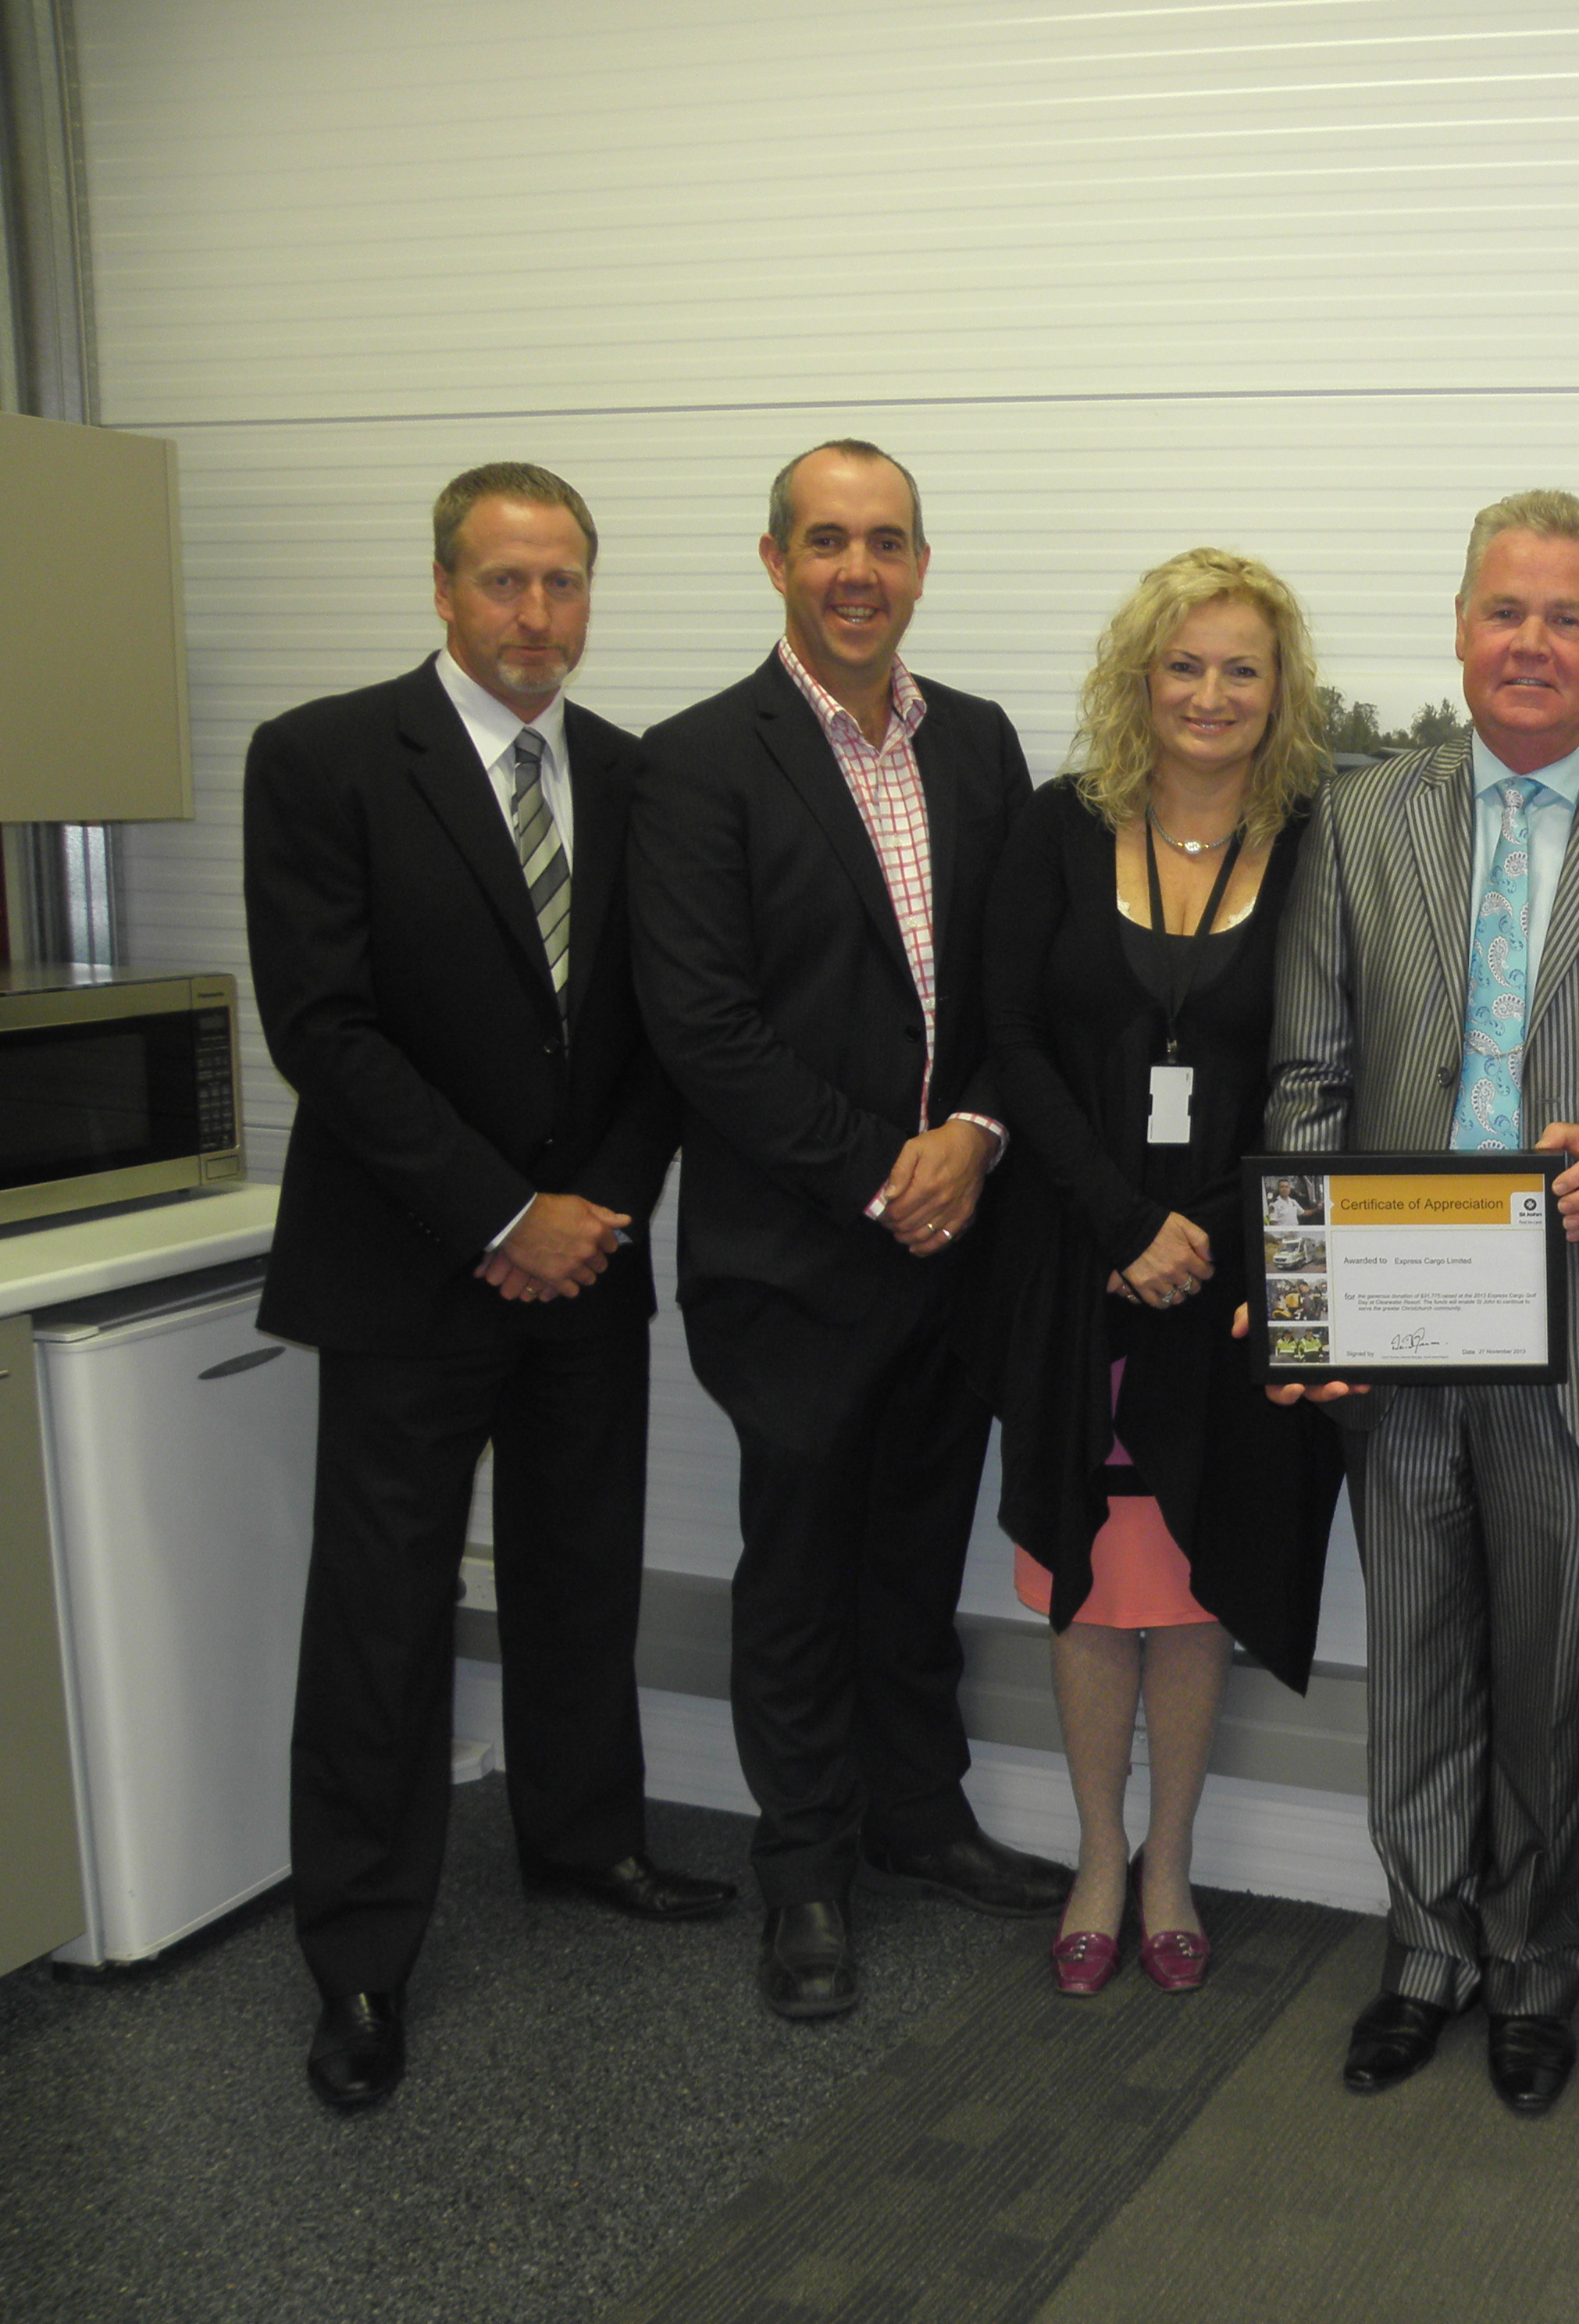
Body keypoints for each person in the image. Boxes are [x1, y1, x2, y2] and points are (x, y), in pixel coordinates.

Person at [244, 462, 726, 2112]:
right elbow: (324, 1028)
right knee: (380, 1617)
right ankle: (361, 1955)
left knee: (578, 1567)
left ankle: (582, 1842)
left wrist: (595, 1212)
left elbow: (668, 1026)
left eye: (565, 584)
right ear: (444, 590)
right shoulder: (320, 757)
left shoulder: (632, 771)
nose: (538, 618)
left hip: (586, 1259)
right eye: (506, 583)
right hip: (408, 1265)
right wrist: (498, 1212)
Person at [1263, 487, 1579, 2116]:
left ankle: (1534, 1966)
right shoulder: (1358, 819)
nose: (1530, 645)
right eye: (1503, 612)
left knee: (1547, 1684)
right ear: (1461, 628)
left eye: (1564, 617)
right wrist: (1310, 1297)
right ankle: (1423, 1955)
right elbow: (1307, 1077)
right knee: (1418, 1665)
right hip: (1395, 1321)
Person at [631, 440, 1068, 2026]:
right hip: (799, 1260)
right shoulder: (695, 763)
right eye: (825, 541)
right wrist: (889, 1168)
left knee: (912, 1557)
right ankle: (804, 1870)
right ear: (773, 563)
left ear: (922, 566)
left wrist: (979, 1141)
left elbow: (1018, 986)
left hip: (960, 1251)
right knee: (800, 1574)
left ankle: (918, 1815)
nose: (857, 571)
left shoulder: (981, 744)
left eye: (885, 541)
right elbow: (702, 1027)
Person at [978, 548, 1345, 1996]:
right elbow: (1010, 1040)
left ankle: (1173, 1862)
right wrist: (1121, 1220)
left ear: (1281, 689)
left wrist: (1228, 1247)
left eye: (1241, 668)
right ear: (1142, 677)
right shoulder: (1057, 829)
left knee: (1195, 1582)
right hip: (1077, 1265)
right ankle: (1091, 1853)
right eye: (1183, 664)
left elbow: (1330, 1064)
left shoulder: (1324, 838)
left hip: (1241, 1280)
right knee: (1091, 1575)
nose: (1210, 693)